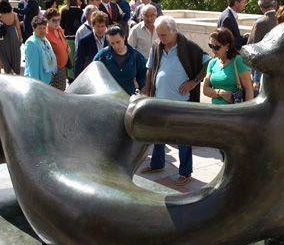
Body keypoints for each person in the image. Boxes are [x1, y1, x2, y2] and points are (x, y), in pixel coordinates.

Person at [141, 15, 210, 186]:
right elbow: (150, 69)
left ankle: (185, 172)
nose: (161, 38)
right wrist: (148, 91)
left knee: (183, 138)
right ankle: (157, 164)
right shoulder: (157, 45)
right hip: (159, 100)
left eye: (164, 35)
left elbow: (208, 62)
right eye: (159, 34)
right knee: (158, 134)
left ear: (174, 31)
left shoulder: (188, 47)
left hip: (181, 102)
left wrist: (194, 82)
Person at [203, 27, 254, 104]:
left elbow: (248, 89)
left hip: (234, 112)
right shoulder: (212, 63)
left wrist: (247, 112)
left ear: (227, 46)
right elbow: (205, 90)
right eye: (211, 46)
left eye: (216, 47)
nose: (213, 50)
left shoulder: (238, 61)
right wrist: (220, 93)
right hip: (215, 112)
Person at [93, 25, 147, 95]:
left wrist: (138, 85)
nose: (116, 46)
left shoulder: (135, 55)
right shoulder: (102, 55)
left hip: (129, 96)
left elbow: (143, 74)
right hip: (109, 96)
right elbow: (94, 71)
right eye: (112, 43)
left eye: (118, 42)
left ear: (124, 37)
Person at [247, 0, 277, 92]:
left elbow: (252, 47)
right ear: (274, 4)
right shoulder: (281, 19)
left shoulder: (260, 22)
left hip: (261, 68)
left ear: (261, 7)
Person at [24, 15, 57, 84]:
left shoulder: (44, 40)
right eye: (39, 28)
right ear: (34, 28)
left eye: (44, 28)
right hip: (39, 84)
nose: (42, 30)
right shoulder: (31, 43)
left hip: (46, 81)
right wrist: (37, 87)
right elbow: (33, 69)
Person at [74, 11, 109, 77]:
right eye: (97, 26)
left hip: (106, 75)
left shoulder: (110, 40)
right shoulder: (84, 42)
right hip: (90, 76)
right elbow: (79, 63)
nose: (100, 29)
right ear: (93, 26)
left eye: (102, 26)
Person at [0, 0, 22, 75]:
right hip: (12, 36)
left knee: (3, 53)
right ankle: (15, 70)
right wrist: (20, 38)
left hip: (2, 37)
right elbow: (18, 27)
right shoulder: (14, 15)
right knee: (14, 53)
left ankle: (6, 70)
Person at [60, 0, 83, 82]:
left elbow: (62, 25)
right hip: (78, 36)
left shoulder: (65, 11)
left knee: (70, 57)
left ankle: (70, 77)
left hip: (68, 36)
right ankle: (77, 75)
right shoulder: (80, 11)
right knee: (77, 56)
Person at [45, 8, 69, 91]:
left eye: (58, 20)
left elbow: (64, 42)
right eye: (54, 20)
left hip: (63, 67)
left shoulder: (59, 29)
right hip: (54, 70)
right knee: (56, 92)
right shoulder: (46, 34)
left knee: (61, 90)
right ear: (47, 21)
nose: (57, 23)